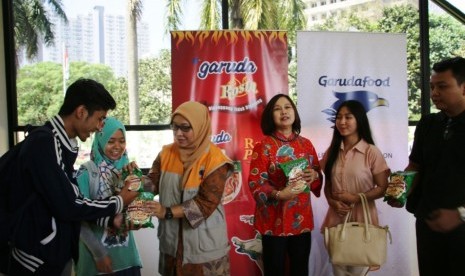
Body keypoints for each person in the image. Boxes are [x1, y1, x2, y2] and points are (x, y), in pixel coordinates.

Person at [5, 79, 139, 275]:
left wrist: (111, 220)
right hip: (36, 261)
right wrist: (119, 201)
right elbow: (69, 206)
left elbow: (68, 203)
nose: (100, 126)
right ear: (81, 112)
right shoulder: (44, 144)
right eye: (100, 118)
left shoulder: (62, 145)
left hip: (54, 257)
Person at [145, 101, 234, 275]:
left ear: (200, 126)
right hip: (171, 247)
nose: (178, 133)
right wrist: (133, 182)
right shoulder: (166, 154)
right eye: (175, 127)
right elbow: (152, 183)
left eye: (185, 128)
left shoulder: (216, 160)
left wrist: (167, 212)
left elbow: (205, 204)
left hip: (204, 252)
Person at [399, 57, 465, 276]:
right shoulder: (428, 123)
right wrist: (400, 189)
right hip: (428, 222)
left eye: (442, 86)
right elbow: (415, 164)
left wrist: (458, 214)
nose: (434, 92)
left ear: (463, 87)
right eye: (432, 86)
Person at [248, 93, 322, 276]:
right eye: (277, 108)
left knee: (300, 269)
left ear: (294, 112)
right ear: (270, 116)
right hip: (273, 221)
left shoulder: (306, 145)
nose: (283, 112)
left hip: (301, 220)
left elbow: (317, 175)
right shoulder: (263, 146)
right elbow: (256, 182)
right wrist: (279, 194)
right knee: (274, 271)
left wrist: (314, 175)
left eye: (287, 107)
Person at [320, 100, 389, 276]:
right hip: (336, 217)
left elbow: (382, 187)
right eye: (339, 117)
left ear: (359, 120)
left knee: (358, 269)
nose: (342, 122)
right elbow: (328, 183)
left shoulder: (371, 152)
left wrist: (355, 198)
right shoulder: (333, 150)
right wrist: (332, 202)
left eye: (348, 117)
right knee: (339, 269)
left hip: (362, 218)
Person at [75, 117, 143, 276]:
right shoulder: (87, 173)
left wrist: (136, 179)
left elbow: (138, 213)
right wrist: (99, 254)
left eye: (121, 141)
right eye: (111, 141)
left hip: (127, 259)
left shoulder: (127, 169)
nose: (117, 147)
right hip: (98, 262)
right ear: (100, 139)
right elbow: (78, 220)